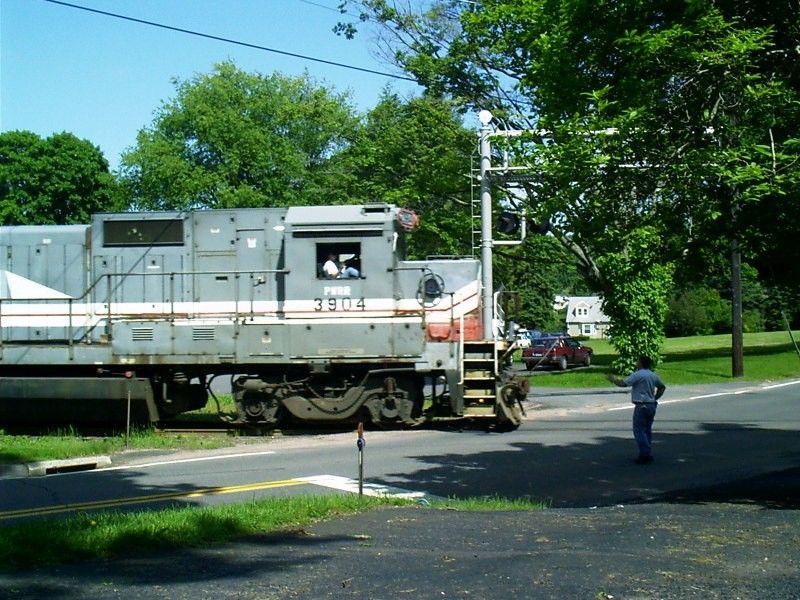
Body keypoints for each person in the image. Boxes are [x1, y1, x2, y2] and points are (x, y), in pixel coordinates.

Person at [607, 355, 666, 464]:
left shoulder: (638, 375)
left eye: (637, 361)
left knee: (639, 430)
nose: (636, 362)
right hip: (651, 405)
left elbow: (623, 383)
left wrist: (613, 379)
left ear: (641, 363)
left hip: (641, 405)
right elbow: (662, 387)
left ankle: (645, 454)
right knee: (647, 429)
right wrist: (654, 398)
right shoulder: (652, 375)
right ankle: (647, 451)